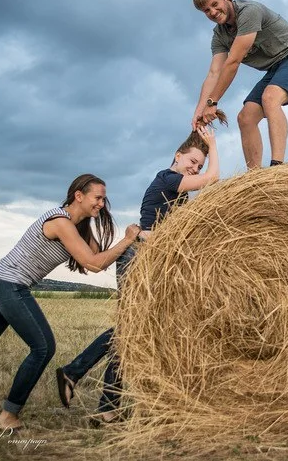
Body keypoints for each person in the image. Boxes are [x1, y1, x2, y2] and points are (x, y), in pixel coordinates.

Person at [0, 174, 141, 431]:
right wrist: (128, 239)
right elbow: (93, 263)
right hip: (10, 284)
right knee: (43, 348)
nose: (101, 203)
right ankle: (8, 415)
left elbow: (99, 259)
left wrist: (121, 240)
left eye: (103, 199)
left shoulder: (77, 227)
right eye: (97, 198)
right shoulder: (59, 222)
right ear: (79, 195)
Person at [56, 127, 219, 424]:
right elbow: (212, 179)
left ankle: (108, 406)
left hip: (149, 259)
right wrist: (213, 145)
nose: (195, 168)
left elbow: (204, 192)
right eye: (192, 161)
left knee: (133, 331)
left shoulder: (177, 190)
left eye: (199, 165)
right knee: (131, 328)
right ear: (177, 155)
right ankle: (74, 372)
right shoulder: (167, 178)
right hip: (136, 256)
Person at [191, 0, 288, 169]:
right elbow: (214, 72)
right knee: (245, 118)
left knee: (270, 98)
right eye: (206, 11)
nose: (213, 12)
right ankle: (255, 178)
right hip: (276, 68)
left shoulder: (249, 12)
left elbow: (232, 63)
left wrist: (213, 102)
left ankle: (277, 167)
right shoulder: (219, 35)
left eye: (215, 5)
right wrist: (200, 109)